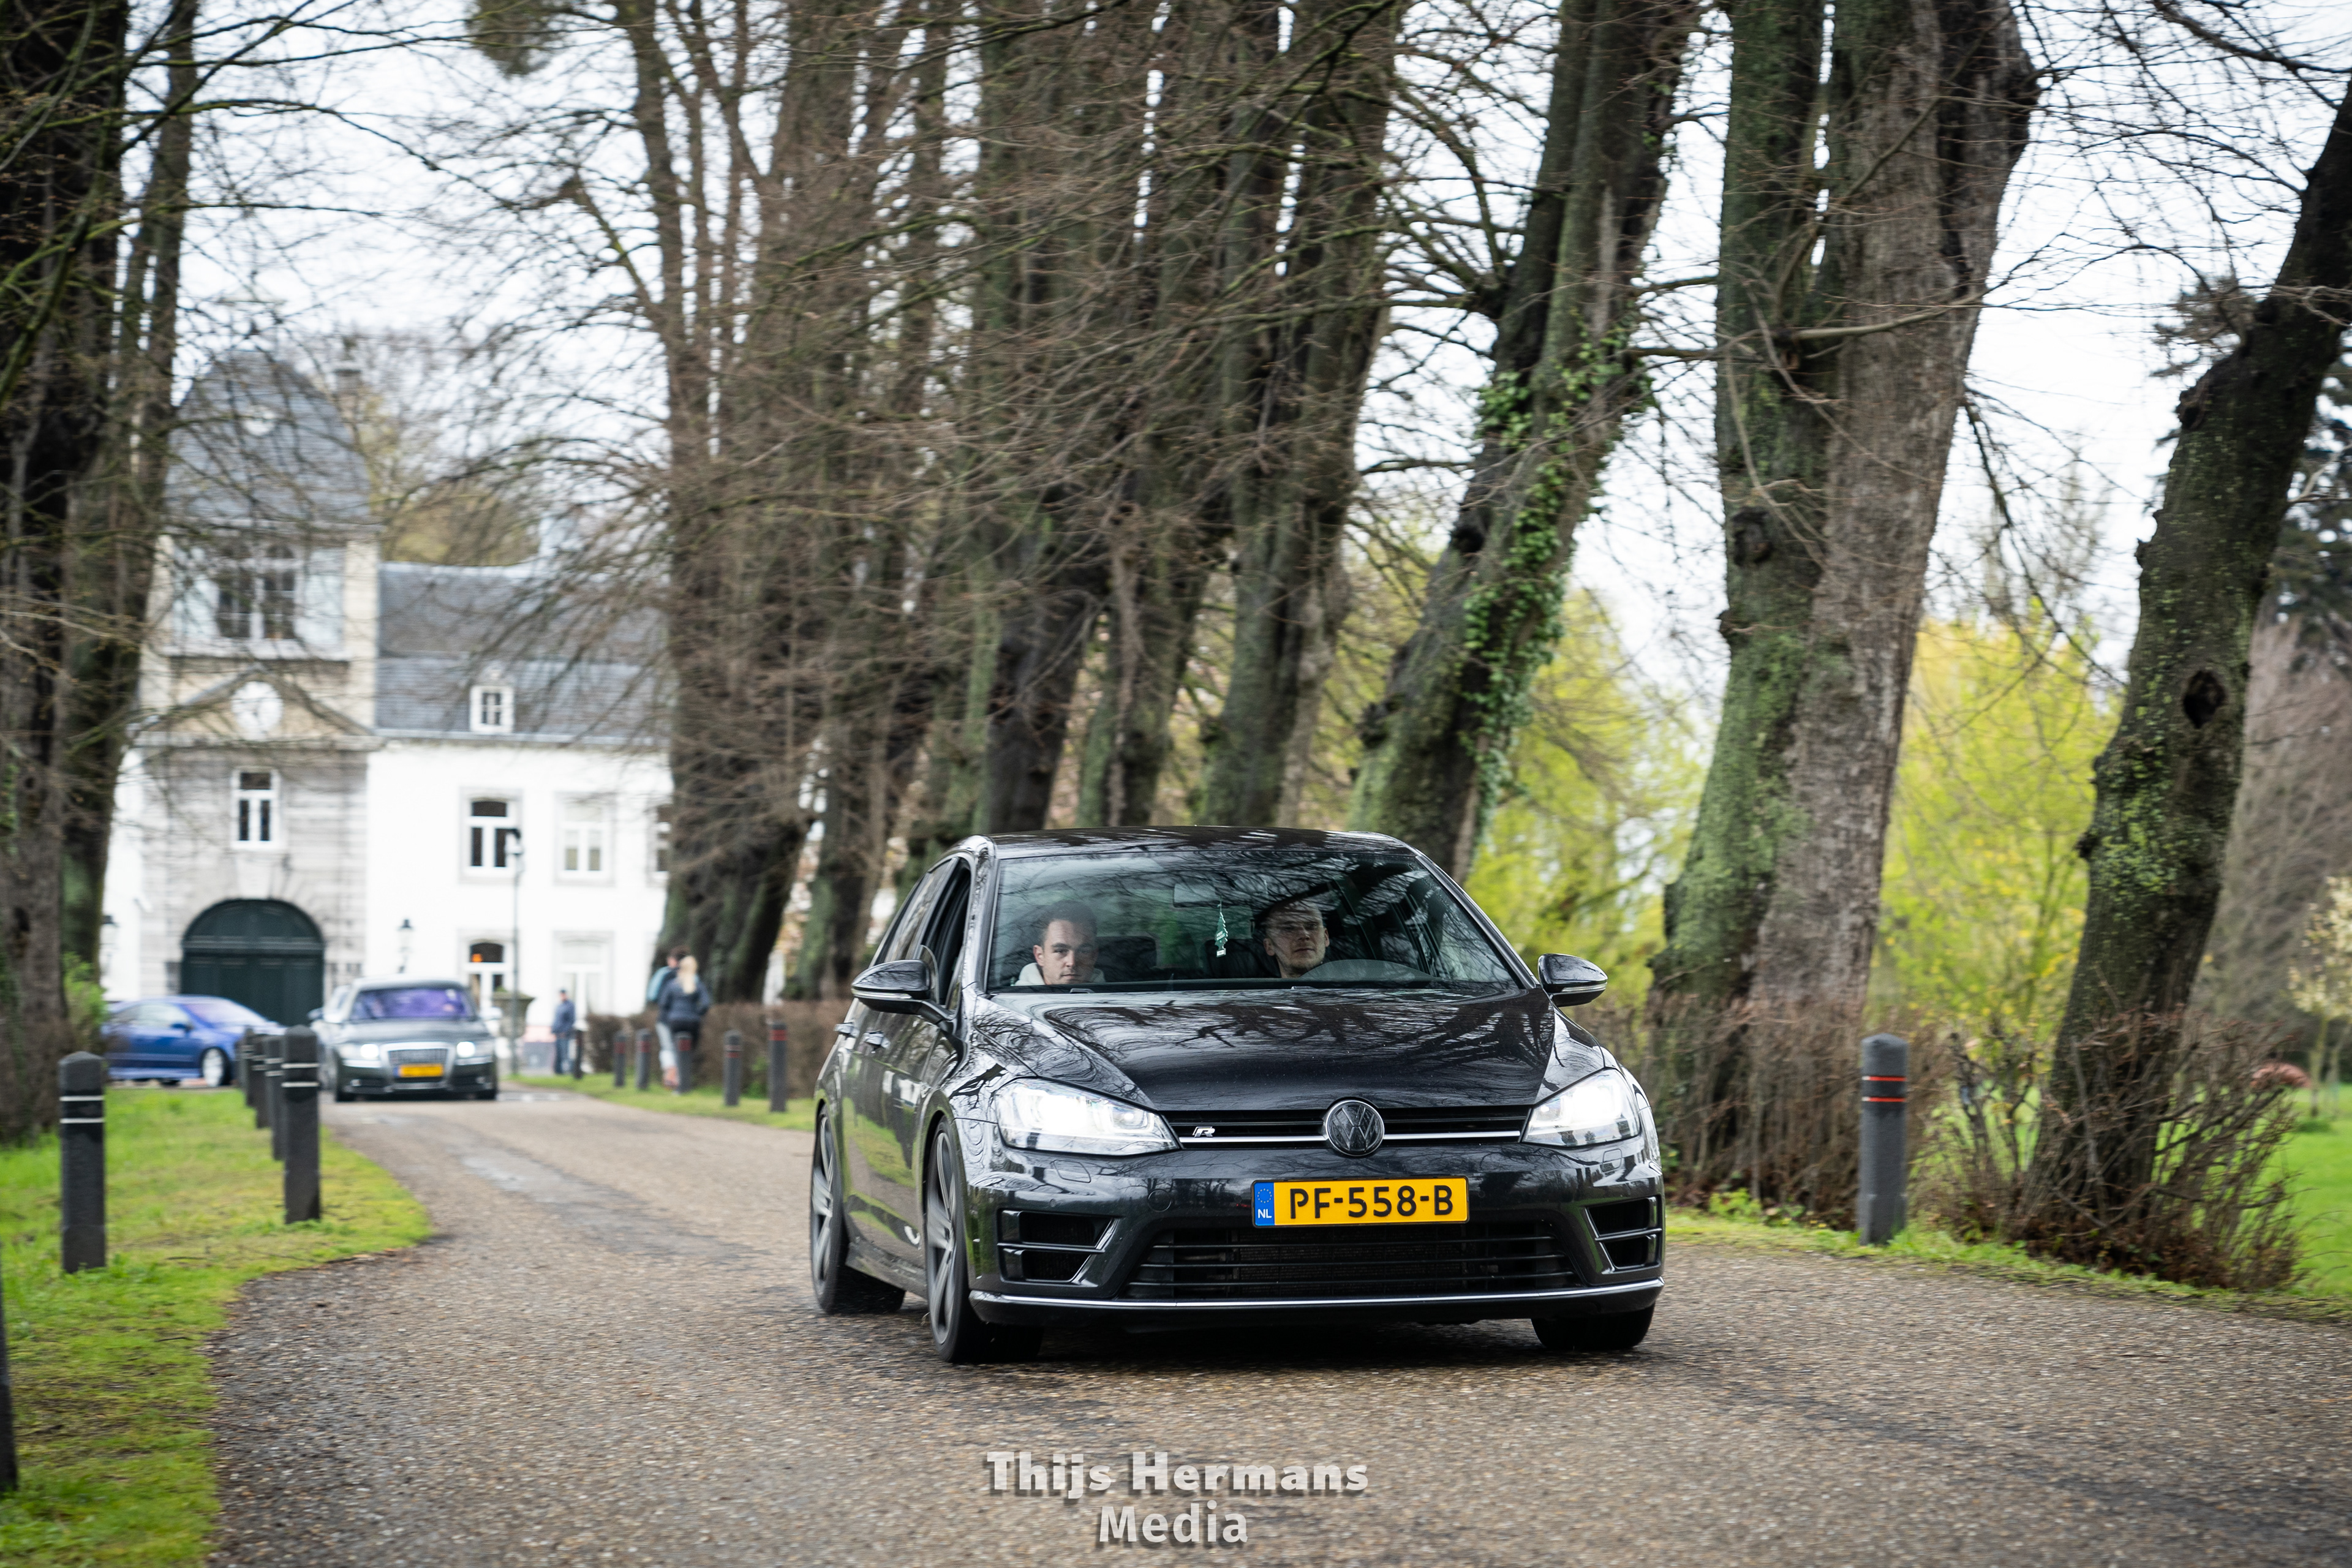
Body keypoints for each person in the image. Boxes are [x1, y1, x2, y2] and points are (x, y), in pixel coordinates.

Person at [655, 954, 711, 1091]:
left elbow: (663, 1004)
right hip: (693, 1022)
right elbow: (706, 1004)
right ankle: (684, 1082)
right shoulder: (697, 984)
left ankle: (676, 1081)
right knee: (689, 1051)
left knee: (676, 1050)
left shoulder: (672, 984)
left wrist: (672, 1015)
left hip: (675, 1022)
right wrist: (697, 1013)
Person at [1016, 902, 1100, 986]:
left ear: (1094, 956)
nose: (1072, 963)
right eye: (1060, 951)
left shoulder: (1108, 992)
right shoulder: (1016, 994)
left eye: (1083, 951)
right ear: (1040, 956)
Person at [1260, 898, 1332, 978]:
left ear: (1326, 937)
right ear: (1269, 946)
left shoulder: (1344, 980)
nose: (1304, 935)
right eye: (1289, 929)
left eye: (1312, 926)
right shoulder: (1255, 987)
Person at [647, 946, 682, 1074]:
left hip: (666, 1017)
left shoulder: (664, 973)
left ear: (672, 960)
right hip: (687, 1019)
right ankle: (681, 1076)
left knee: (667, 1047)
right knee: (683, 1046)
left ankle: (671, 1076)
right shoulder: (691, 974)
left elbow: (652, 995)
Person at [549, 989, 578, 1078]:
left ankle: (568, 1071)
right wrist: (553, 1030)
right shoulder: (559, 1006)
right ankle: (558, 1072)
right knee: (559, 1054)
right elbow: (556, 1020)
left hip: (565, 1035)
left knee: (566, 1054)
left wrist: (565, 1031)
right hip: (558, 1034)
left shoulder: (570, 1006)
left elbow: (571, 1020)